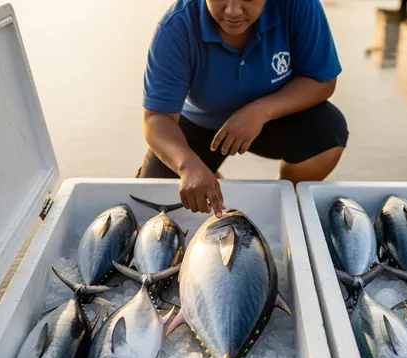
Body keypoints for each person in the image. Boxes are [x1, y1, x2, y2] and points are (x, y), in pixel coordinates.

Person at [137, 0, 348, 217]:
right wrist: (187, 166)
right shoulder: (176, 26)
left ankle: (281, 204)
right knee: (152, 204)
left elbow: (322, 80)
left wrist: (260, 111)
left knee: (328, 132)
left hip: (273, 116)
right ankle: (208, 174)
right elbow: (156, 117)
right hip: (201, 122)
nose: (233, 11)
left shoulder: (299, 6)